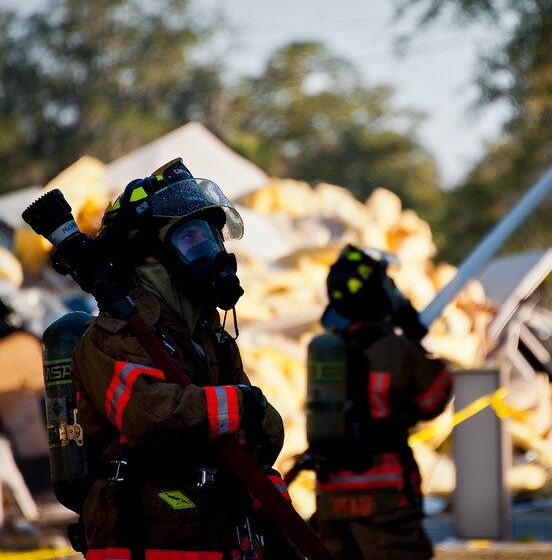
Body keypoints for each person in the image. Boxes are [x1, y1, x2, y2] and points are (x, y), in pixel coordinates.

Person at [69, 158, 291, 559]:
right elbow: (152, 418)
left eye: (213, 238)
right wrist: (246, 405)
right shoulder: (112, 338)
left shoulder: (210, 337)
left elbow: (261, 436)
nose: (214, 253)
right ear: (148, 258)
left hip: (215, 533)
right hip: (147, 539)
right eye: (192, 239)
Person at [305, 244, 453, 560]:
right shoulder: (397, 350)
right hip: (383, 493)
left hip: (331, 492)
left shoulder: (327, 350)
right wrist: (415, 333)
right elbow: (434, 399)